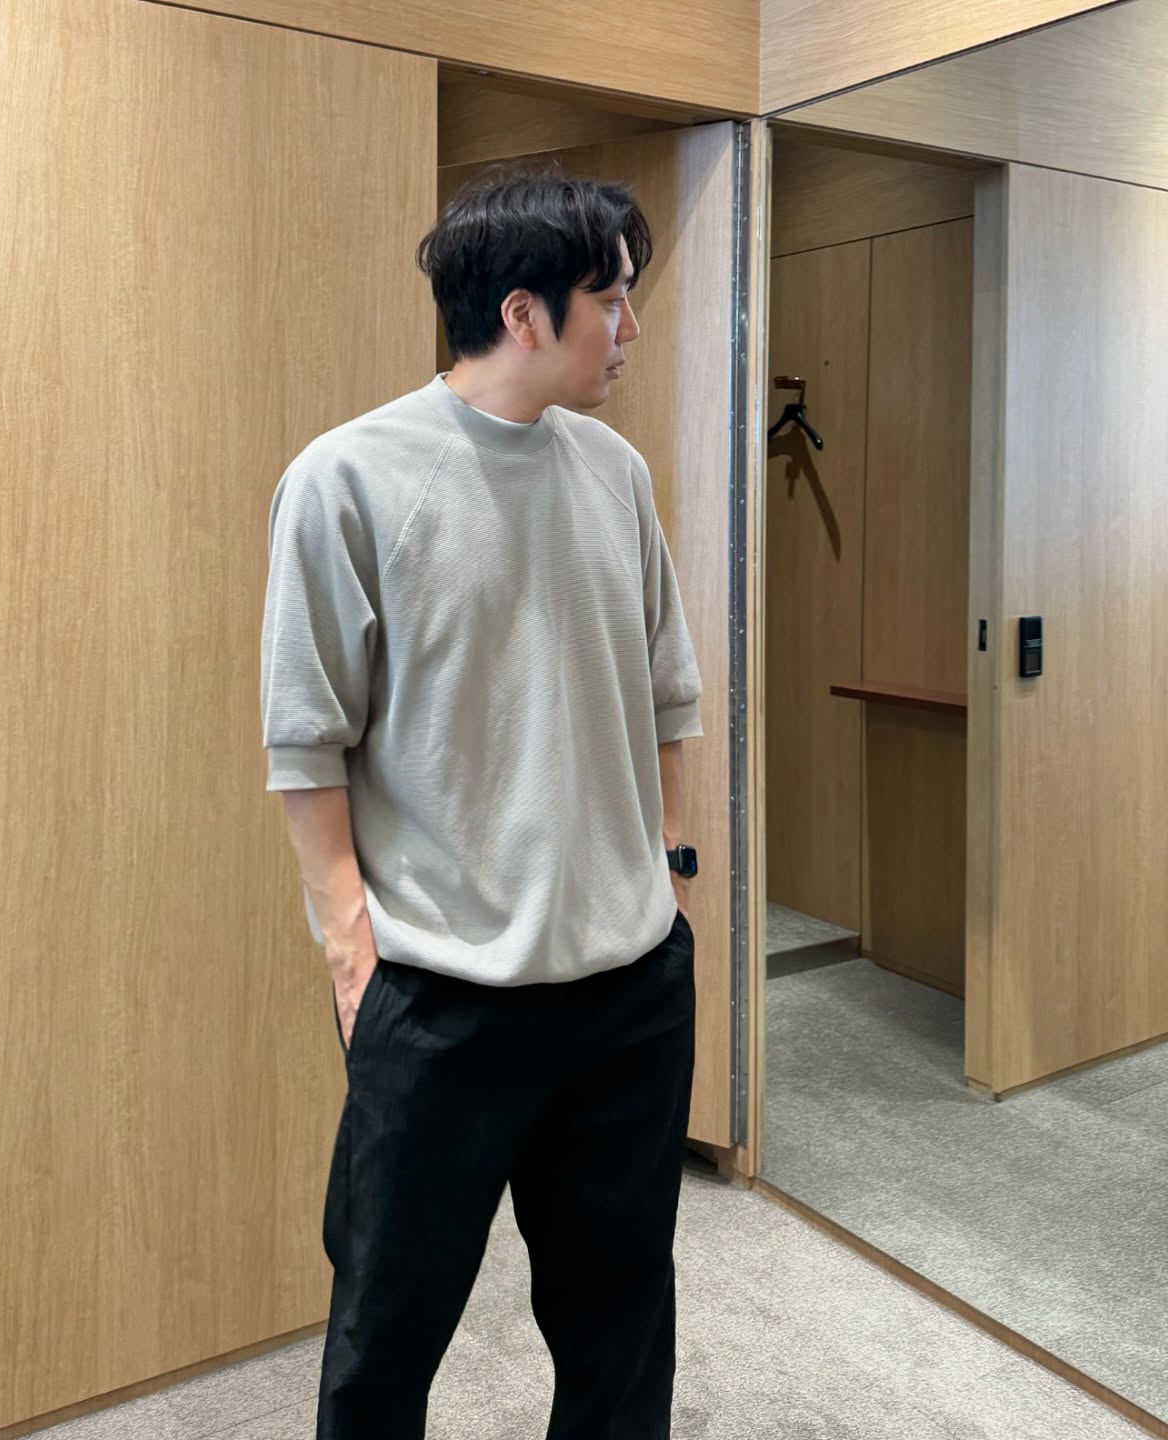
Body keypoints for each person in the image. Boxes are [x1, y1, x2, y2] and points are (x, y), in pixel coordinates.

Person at [259, 168, 703, 1440]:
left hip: (626, 995)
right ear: (521, 314)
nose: (630, 326)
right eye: (610, 299)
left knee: (621, 1329)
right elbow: (306, 741)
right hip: (440, 1002)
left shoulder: (615, 472)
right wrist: (352, 952)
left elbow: (668, 694)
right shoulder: (347, 479)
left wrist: (669, 880)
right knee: (384, 1340)